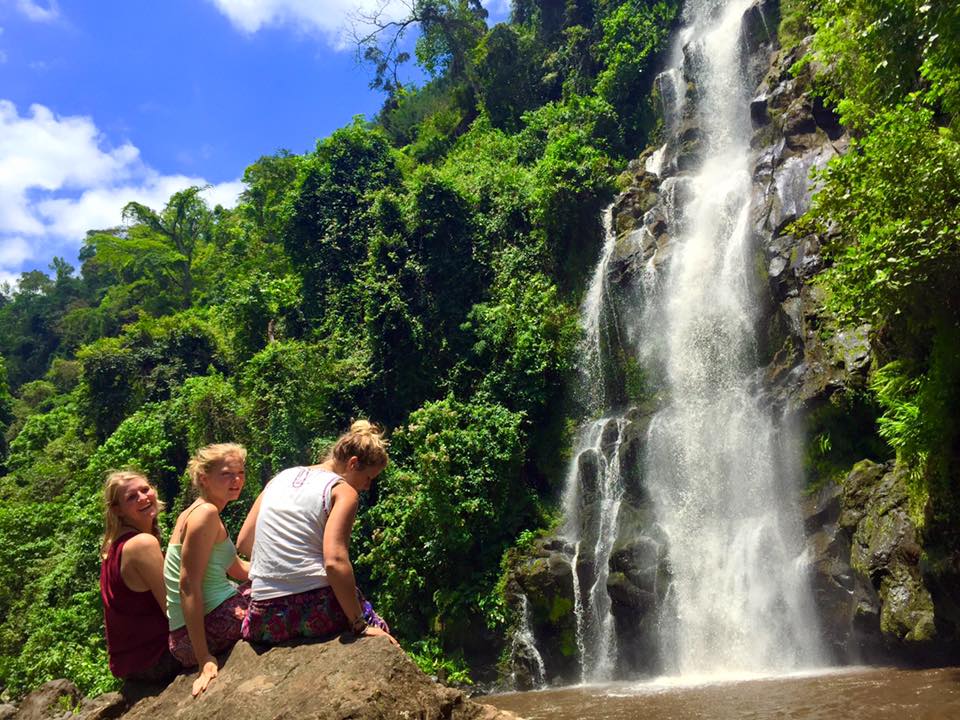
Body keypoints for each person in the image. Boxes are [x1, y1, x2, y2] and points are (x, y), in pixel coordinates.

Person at [237, 420, 398, 647]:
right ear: (353, 463)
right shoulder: (343, 491)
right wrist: (359, 624)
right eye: (368, 478)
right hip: (315, 610)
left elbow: (244, 542)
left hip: (263, 617)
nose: (366, 487)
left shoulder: (279, 478)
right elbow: (334, 562)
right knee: (378, 627)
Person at [164, 443, 250, 697]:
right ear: (204, 478)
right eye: (227, 474)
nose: (236, 480)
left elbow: (239, 569)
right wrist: (204, 658)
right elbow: (187, 584)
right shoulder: (205, 514)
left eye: (241, 473)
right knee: (291, 603)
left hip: (196, 628)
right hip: (202, 630)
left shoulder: (197, 511)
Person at [100, 470, 181, 683]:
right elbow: (174, 609)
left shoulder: (113, 546)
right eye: (131, 497)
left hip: (133, 665)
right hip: (156, 658)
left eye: (145, 490)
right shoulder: (141, 544)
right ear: (117, 510)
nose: (143, 498)